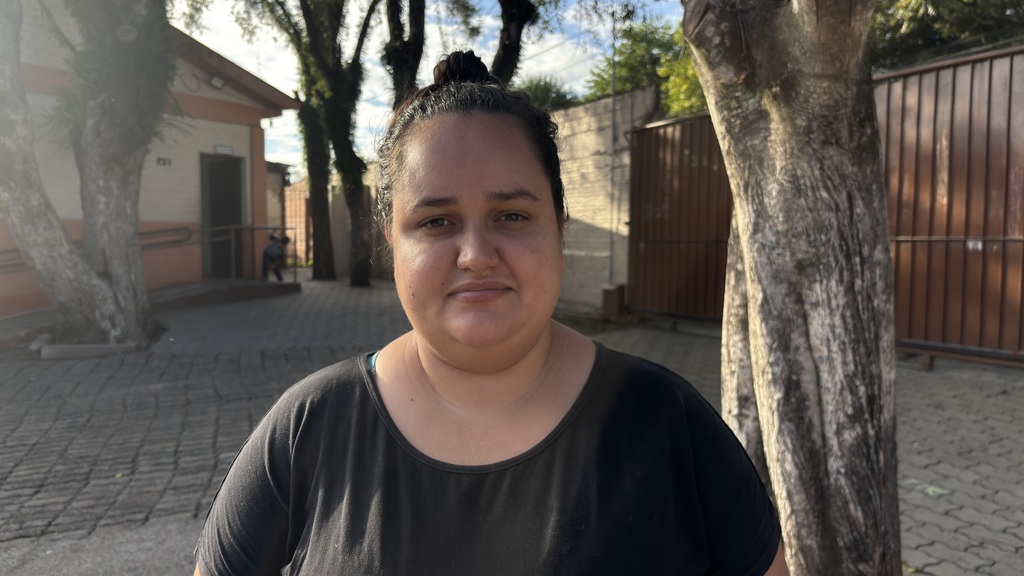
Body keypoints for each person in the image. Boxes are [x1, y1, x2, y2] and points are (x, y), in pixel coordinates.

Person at [193, 51, 789, 576]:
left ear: (558, 228)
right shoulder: (308, 426)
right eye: (436, 222)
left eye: (512, 216)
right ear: (392, 243)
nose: (476, 255)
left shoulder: (670, 422)